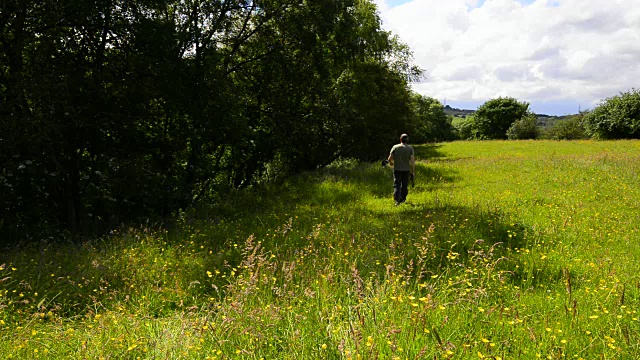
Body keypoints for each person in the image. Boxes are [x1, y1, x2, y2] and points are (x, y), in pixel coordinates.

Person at [388, 133, 415, 206]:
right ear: (407, 140)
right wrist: (413, 171)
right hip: (406, 170)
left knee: (397, 184)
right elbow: (412, 161)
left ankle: (397, 200)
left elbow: (390, 158)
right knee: (404, 185)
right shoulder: (410, 148)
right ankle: (403, 199)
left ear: (400, 139)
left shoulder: (395, 147)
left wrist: (391, 163)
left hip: (397, 169)